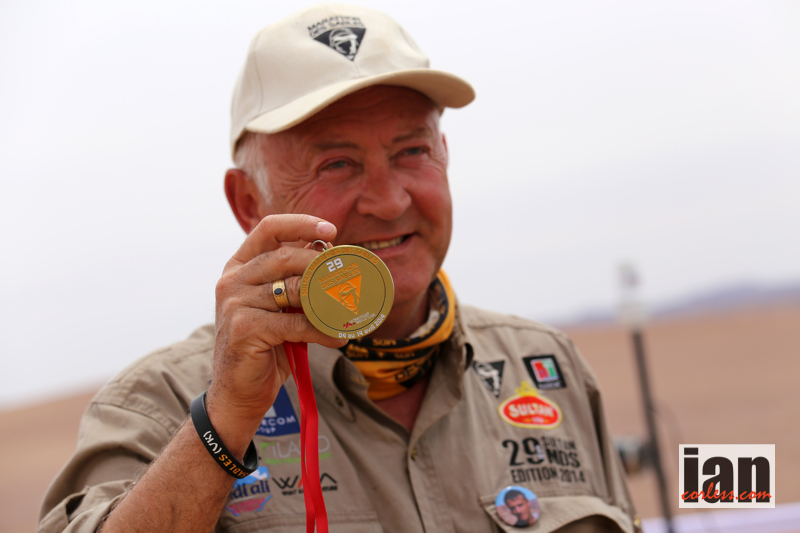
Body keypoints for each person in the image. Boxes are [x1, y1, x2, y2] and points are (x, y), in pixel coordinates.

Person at [38, 4, 642, 533]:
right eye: (337, 165)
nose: (390, 201)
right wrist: (225, 422)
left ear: (445, 155)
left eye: (412, 151)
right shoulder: (158, 403)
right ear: (249, 202)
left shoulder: (547, 366)